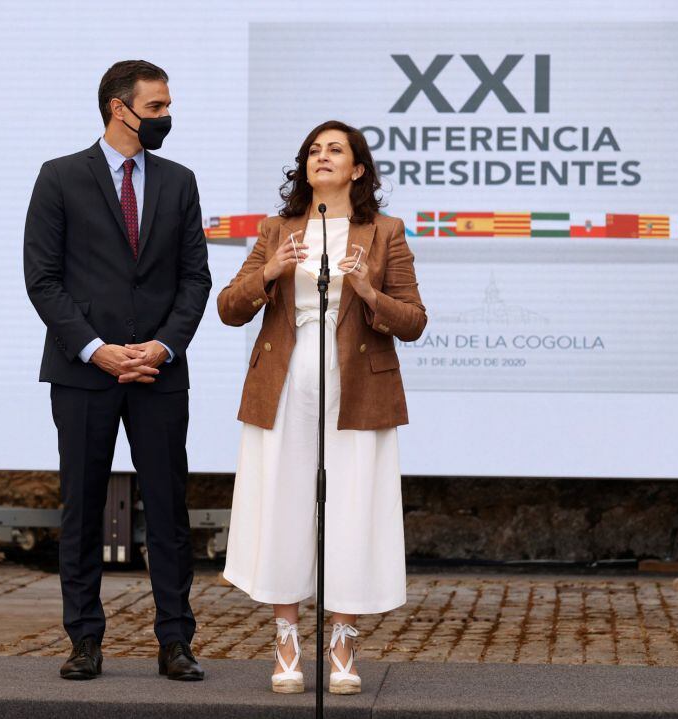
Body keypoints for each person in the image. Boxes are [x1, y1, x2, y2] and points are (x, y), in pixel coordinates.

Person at [217, 120, 427, 695]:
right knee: (283, 502)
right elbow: (229, 308)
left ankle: (343, 645)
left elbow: (414, 320)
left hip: (359, 385)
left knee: (354, 506)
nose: (322, 157)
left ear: (358, 168)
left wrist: (369, 293)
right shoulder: (276, 229)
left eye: (335, 150)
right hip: (284, 384)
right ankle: (286, 641)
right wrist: (270, 272)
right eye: (314, 150)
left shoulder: (385, 232)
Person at [23, 60, 212, 682]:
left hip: (159, 374)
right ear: (118, 107)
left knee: (169, 510)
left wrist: (162, 347)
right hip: (84, 375)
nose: (166, 118)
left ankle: (176, 642)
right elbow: (43, 281)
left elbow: (195, 280)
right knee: (80, 508)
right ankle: (83, 641)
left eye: (167, 107)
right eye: (156, 107)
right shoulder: (59, 178)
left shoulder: (180, 183)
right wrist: (95, 348)